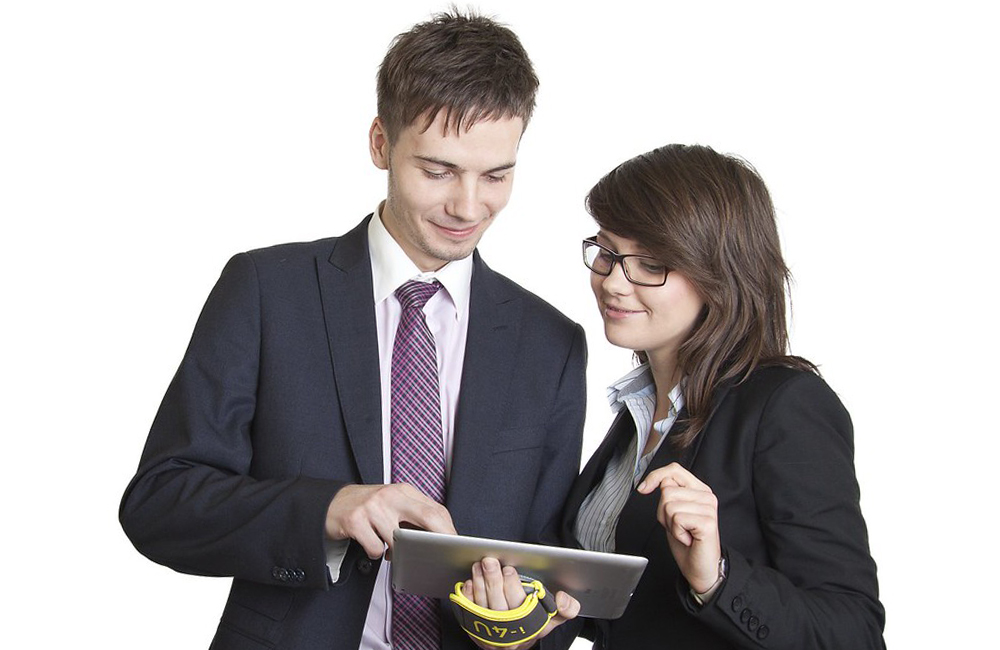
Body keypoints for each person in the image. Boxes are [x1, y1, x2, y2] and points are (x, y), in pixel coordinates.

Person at [119, 11, 585, 650]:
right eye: (438, 171)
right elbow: (159, 504)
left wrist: (524, 626)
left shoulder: (551, 343)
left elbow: (551, 570)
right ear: (380, 144)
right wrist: (329, 510)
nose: (468, 206)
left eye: (496, 176)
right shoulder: (266, 291)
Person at [559, 144, 885, 649]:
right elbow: (628, 615)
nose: (613, 283)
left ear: (719, 274)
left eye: (651, 263)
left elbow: (853, 633)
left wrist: (716, 577)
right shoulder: (639, 411)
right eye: (606, 252)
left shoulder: (786, 406)